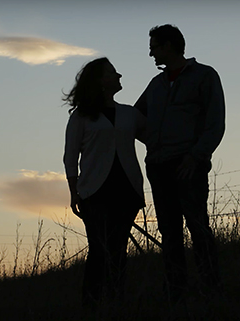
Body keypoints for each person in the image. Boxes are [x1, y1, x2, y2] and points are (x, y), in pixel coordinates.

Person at [134, 24, 225, 303]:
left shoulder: (205, 76)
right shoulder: (155, 84)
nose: (150, 53)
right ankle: (176, 292)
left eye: (154, 46)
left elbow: (215, 123)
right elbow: (135, 119)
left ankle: (211, 288)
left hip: (188, 166)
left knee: (198, 227)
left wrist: (196, 156)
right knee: (169, 232)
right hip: (158, 167)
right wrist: (151, 143)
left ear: (169, 46)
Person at [63, 57, 146, 306]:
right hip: (94, 192)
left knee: (118, 250)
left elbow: (153, 138)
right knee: (99, 250)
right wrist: (73, 190)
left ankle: (116, 301)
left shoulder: (130, 114)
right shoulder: (81, 117)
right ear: (100, 81)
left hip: (127, 190)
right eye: (112, 72)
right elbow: (70, 155)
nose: (119, 75)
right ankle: (91, 305)